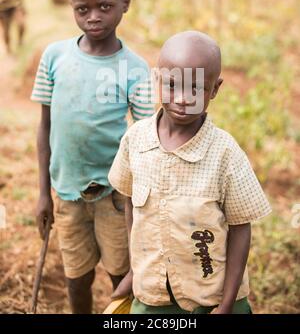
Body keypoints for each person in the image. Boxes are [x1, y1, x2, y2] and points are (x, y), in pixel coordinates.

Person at [108, 30, 272, 314]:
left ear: (215, 89)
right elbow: (130, 205)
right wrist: (136, 270)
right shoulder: (135, 141)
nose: (183, 99)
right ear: (157, 80)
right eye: (173, 85)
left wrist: (227, 304)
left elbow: (240, 227)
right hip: (153, 295)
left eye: (195, 89)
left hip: (210, 296)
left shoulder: (224, 153)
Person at [31, 0, 155, 314]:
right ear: (71, 7)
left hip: (116, 198)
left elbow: (145, 137)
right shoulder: (54, 57)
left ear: (125, 5)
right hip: (67, 194)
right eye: (82, 9)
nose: (93, 17)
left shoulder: (134, 69)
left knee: (121, 275)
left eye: (105, 6)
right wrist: (43, 193)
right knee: (77, 277)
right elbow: (45, 128)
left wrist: (141, 202)